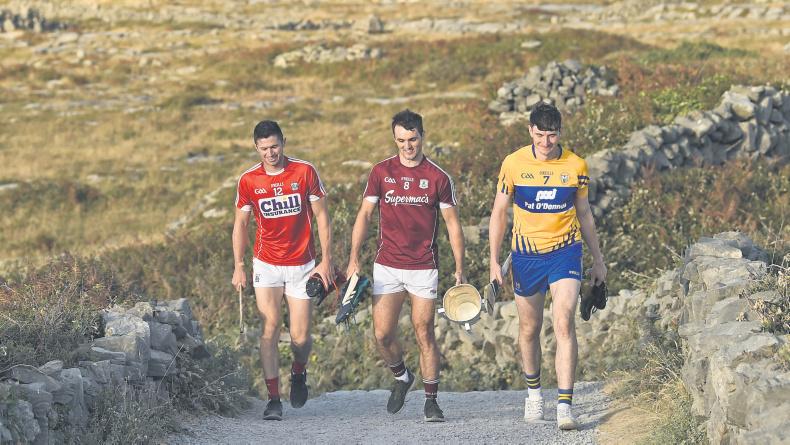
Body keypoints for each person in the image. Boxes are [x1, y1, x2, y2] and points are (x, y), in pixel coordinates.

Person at [488, 103, 606, 430]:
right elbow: (499, 212)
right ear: (530, 131)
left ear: (560, 132)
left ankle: (565, 406)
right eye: (539, 135)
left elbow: (585, 214)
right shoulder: (512, 163)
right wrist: (494, 261)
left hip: (566, 251)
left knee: (564, 318)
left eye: (551, 135)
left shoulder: (576, 165)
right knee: (529, 328)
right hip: (526, 255)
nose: (545, 142)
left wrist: (598, 261)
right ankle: (534, 393)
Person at [345, 109, 466, 422]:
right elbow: (364, 215)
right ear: (394, 138)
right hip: (387, 265)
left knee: (424, 330)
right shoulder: (380, 172)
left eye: (412, 139)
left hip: (424, 266)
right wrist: (353, 258)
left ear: (422, 136)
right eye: (401, 140)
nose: (407, 146)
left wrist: (459, 269)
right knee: (383, 335)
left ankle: (431, 401)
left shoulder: (438, 177)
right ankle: (401, 377)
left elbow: (453, 225)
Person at [232, 120, 334, 421]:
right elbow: (240, 224)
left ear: (284, 142)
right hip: (266, 264)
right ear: (256, 148)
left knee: (301, 338)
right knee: (271, 326)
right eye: (264, 148)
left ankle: (299, 372)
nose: (270, 153)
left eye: (274, 146)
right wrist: (239, 266)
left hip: (302, 264)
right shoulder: (249, 180)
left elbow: (323, 218)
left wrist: (326, 261)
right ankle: (273, 398)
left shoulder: (304, 172)